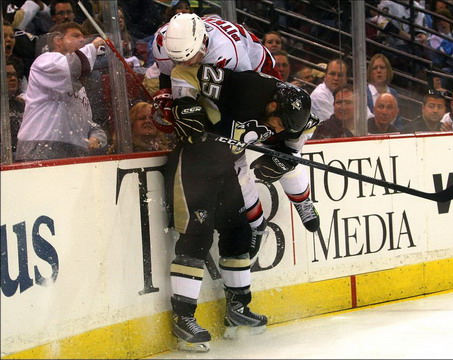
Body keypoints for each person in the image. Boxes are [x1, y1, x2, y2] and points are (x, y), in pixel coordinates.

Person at [154, 62, 317, 352]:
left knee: (238, 233)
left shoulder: (294, 112)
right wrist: (186, 105)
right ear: (270, 105)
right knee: (196, 239)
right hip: (193, 164)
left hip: (226, 167)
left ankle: (238, 307)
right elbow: (184, 71)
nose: (277, 130)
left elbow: (294, 143)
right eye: (278, 123)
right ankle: (183, 318)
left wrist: (284, 158)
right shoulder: (246, 87)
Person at [153, 14, 318, 240]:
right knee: (231, 150)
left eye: (189, 57)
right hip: (217, 77)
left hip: (258, 74)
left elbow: (243, 99)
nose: (183, 63)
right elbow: (170, 76)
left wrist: (268, 145)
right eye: (177, 59)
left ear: (203, 43)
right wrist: (169, 99)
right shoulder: (163, 43)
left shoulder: (228, 53)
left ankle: (302, 199)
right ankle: (257, 226)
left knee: (281, 136)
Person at [16, 22, 107, 161]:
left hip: (72, 151)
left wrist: (97, 137)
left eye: (83, 37)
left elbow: (86, 121)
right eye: (75, 36)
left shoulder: (78, 87)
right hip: (40, 147)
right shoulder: (46, 61)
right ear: (58, 40)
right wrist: (92, 46)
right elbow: (72, 67)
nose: (81, 40)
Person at [108, 101, 172, 154]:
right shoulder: (121, 150)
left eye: (152, 118)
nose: (148, 121)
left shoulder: (167, 151)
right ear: (131, 124)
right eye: (142, 118)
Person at [366, 53, 407, 131]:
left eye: (382, 67)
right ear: (370, 72)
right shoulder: (363, 93)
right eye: (375, 68)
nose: (378, 71)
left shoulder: (393, 93)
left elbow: (397, 120)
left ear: (387, 71)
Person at [5, 59, 26, 156]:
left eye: (14, 75)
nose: (13, 78)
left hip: (21, 154)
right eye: (7, 76)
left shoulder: (22, 104)